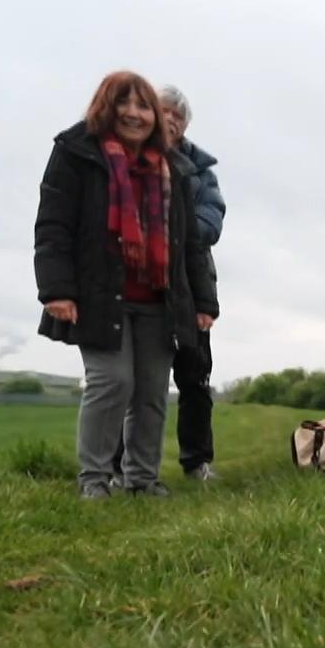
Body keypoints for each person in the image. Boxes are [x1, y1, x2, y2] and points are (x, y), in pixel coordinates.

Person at [34, 71, 219, 499]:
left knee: (153, 390)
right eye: (125, 104)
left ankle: (142, 479)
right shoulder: (77, 154)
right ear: (106, 106)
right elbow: (54, 225)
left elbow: (189, 241)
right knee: (112, 382)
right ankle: (95, 480)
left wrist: (203, 301)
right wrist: (57, 289)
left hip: (160, 298)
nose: (134, 114)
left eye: (142, 106)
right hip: (100, 295)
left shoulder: (174, 167)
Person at [108, 84, 226, 484]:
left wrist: (168, 226)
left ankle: (196, 461)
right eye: (165, 112)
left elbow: (211, 221)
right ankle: (115, 465)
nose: (171, 119)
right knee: (132, 378)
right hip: (138, 282)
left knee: (195, 377)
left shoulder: (199, 170)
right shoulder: (123, 157)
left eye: (179, 115)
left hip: (190, 285)